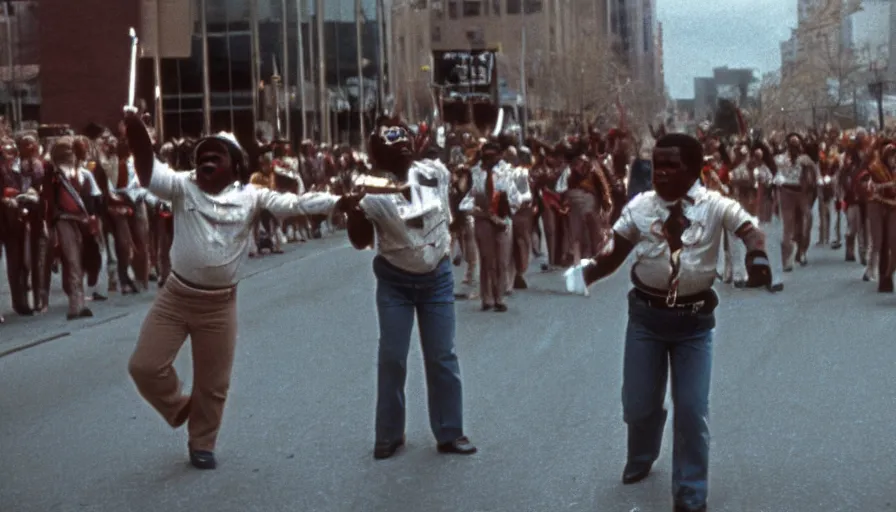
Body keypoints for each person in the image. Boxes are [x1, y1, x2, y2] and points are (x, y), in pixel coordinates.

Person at [122, 111, 349, 470]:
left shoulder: (252, 196)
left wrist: (338, 202)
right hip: (176, 297)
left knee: (213, 383)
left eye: (217, 156)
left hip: (218, 304)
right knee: (144, 367)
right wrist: (136, 131)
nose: (207, 161)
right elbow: (148, 170)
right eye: (202, 156)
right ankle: (180, 407)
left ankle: (202, 443)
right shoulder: (181, 185)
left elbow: (293, 206)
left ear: (236, 165)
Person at [564, 133, 770, 512]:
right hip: (646, 319)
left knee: (692, 410)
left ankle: (690, 492)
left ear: (694, 169)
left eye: (671, 165)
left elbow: (751, 230)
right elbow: (615, 254)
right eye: (657, 164)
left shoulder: (715, 206)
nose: (660, 172)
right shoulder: (641, 207)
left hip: (694, 323)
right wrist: (586, 273)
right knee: (639, 404)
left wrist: (757, 258)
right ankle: (641, 454)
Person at [344, 115, 477, 460]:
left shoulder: (435, 172)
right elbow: (360, 241)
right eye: (392, 142)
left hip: (437, 277)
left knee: (442, 355)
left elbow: (453, 207)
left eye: (405, 139)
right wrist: (354, 212)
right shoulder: (368, 188)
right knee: (392, 357)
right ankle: (389, 434)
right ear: (378, 154)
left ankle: (450, 431)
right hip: (395, 282)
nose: (402, 146)